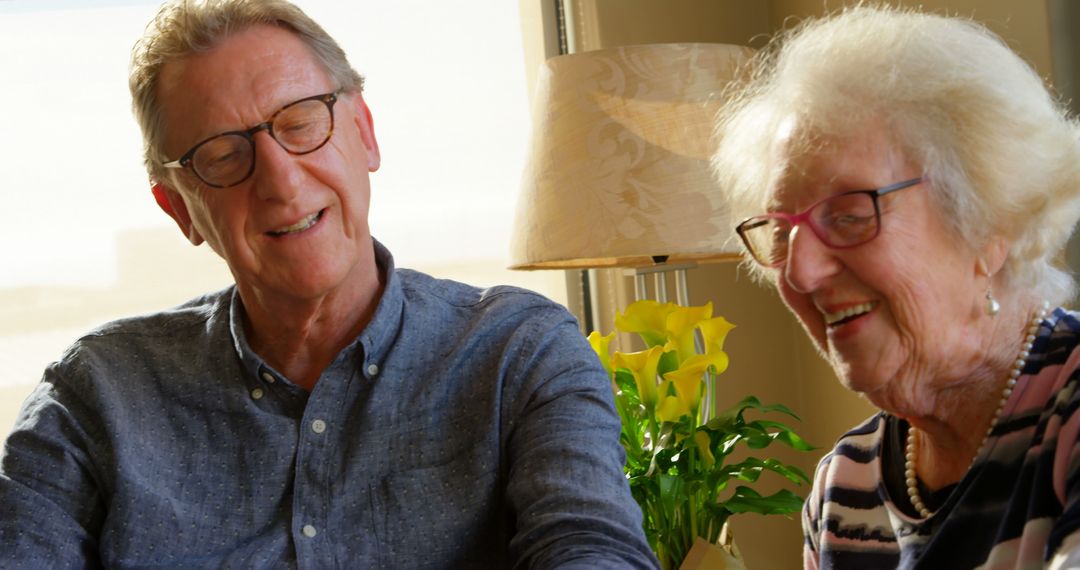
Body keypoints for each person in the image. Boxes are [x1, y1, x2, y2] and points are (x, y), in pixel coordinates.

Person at [0, 1, 658, 568]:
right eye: (225, 155)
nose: (282, 180)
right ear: (179, 209)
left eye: (301, 122)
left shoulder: (519, 353)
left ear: (364, 133)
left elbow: (593, 548)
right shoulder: (93, 395)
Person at [712, 5, 1080, 569]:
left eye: (850, 213)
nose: (800, 273)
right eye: (782, 232)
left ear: (987, 224)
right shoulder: (844, 485)